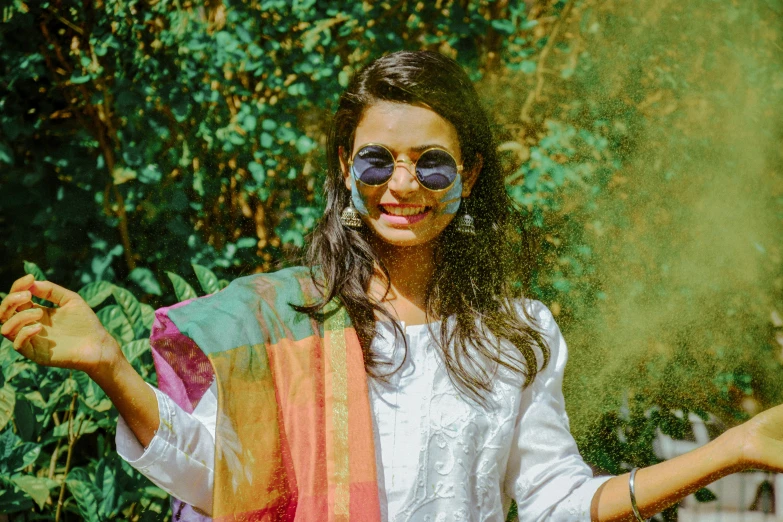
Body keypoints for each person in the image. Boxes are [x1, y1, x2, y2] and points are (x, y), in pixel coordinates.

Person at [1, 50, 782, 522]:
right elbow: (225, 483)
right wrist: (111, 367)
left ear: (468, 174)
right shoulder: (286, 316)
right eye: (377, 159)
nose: (401, 184)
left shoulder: (518, 330)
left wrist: (733, 450)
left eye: (430, 162)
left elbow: (555, 502)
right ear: (347, 167)